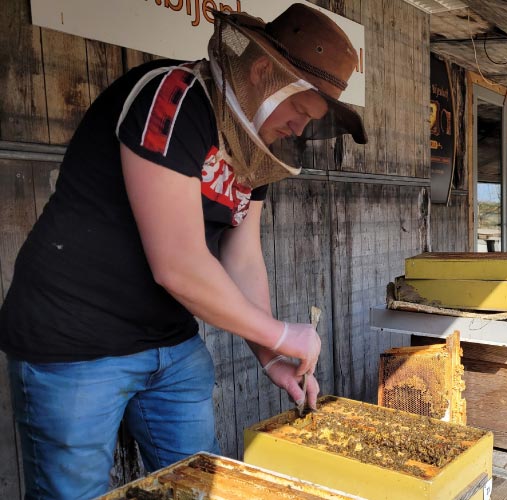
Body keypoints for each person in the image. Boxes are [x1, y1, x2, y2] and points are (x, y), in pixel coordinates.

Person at [0, 4, 366, 499]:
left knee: (200, 485)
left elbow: (242, 257)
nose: (299, 129)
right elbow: (177, 262)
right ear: (263, 73)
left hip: (169, 344)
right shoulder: (170, 98)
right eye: (300, 111)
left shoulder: (254, 147)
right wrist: (281, 331)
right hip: (74, 339)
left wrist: (268, 354)